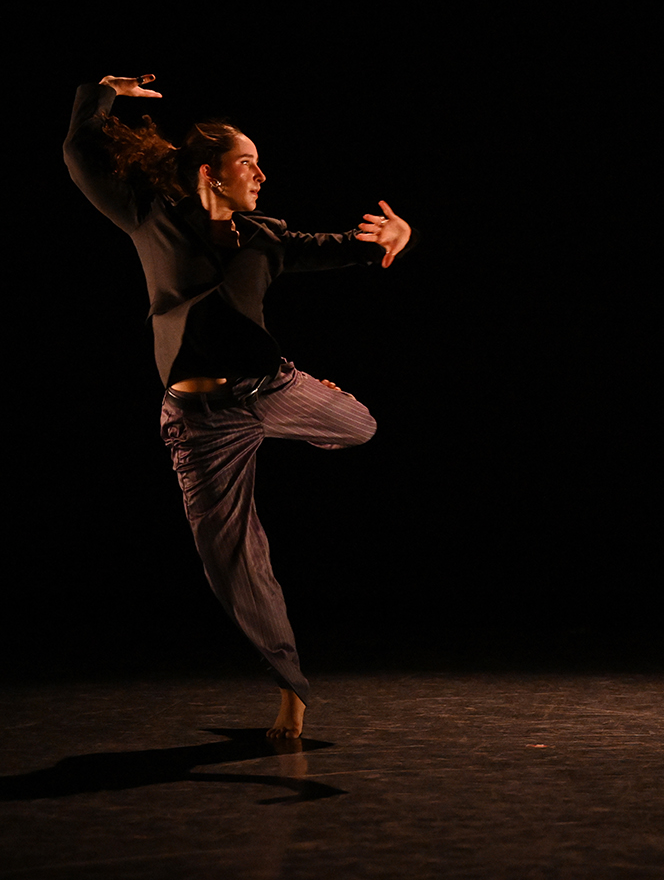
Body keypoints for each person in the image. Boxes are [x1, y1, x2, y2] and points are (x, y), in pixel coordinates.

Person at [64, 73, 413, 738]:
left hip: (272, 392)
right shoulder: (149, 215)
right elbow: (80, 153)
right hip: (201, 426)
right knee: (237, 566)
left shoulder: (265, 237)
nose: (260, 174)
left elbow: (343, 247)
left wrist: (396, 236)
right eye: (247, 162)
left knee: (361, 425)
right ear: (211, 172)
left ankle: (309, 392)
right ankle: (290, 688)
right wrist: (99, 92)